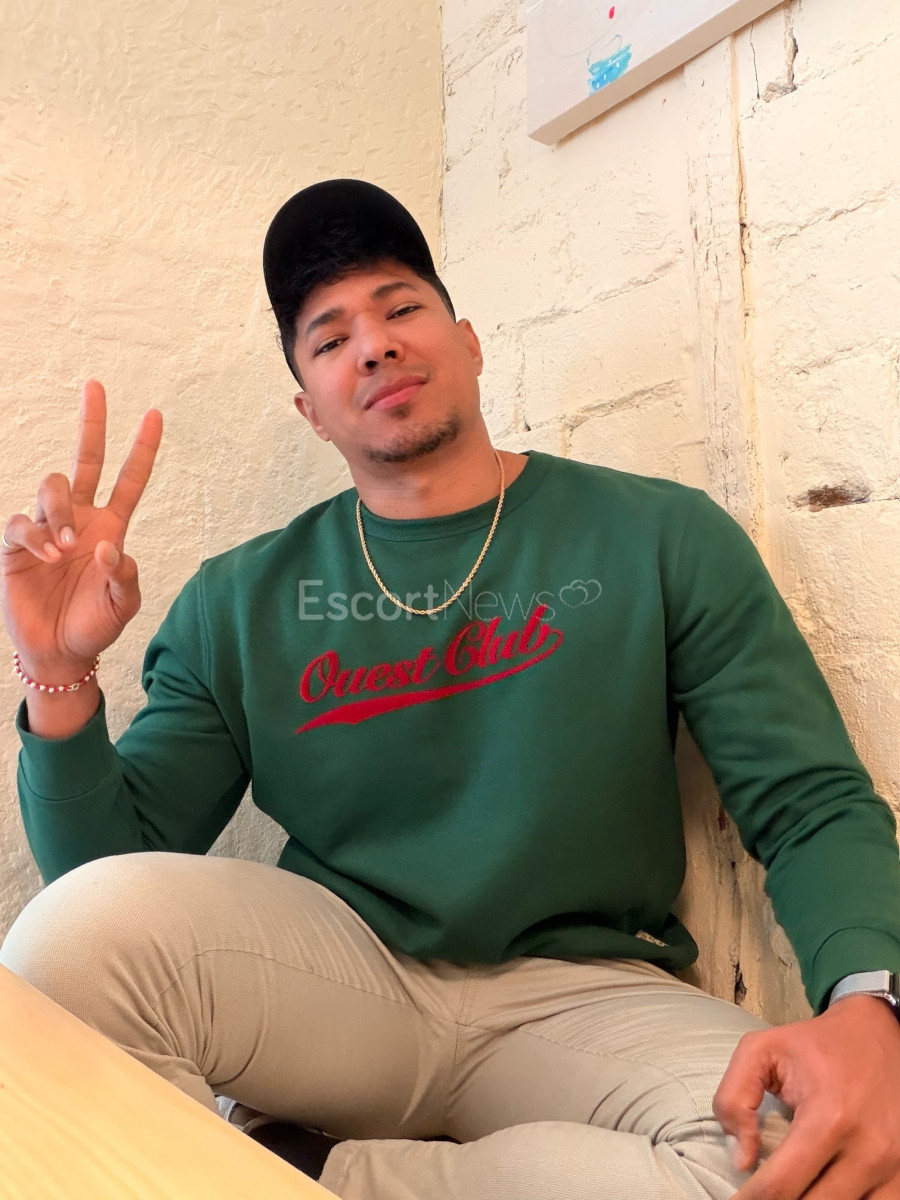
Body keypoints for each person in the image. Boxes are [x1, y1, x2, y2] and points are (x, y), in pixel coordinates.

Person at [2, 179, 900, 1200]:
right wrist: (59, 670)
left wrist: (869, 1004)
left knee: (821, 1161)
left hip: (586, 996)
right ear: (310, 410)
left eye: (400, 307)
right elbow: (105, 878)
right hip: (342, 983)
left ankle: (308, 1172)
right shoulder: (238, 601)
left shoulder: (658, 535)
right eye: (331, 338)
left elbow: (807, 800)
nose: (374, 346)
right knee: (65, 945)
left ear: (469, 343)